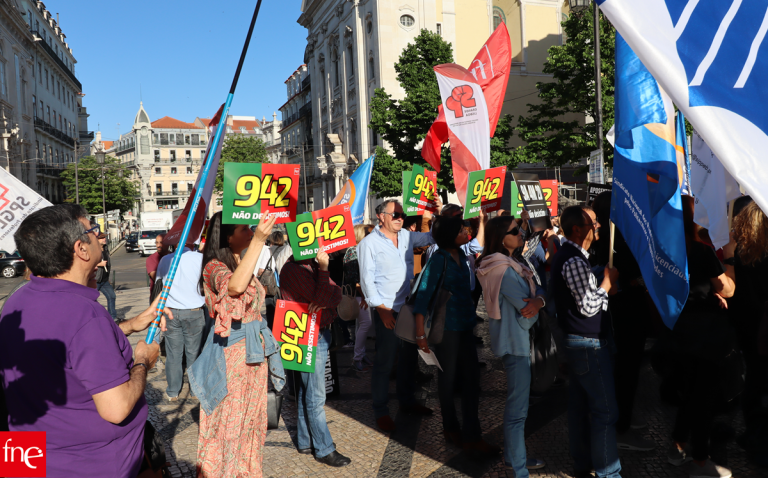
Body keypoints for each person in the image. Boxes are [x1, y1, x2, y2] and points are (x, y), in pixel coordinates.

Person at [0, 204, 171, 477]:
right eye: (94, 231)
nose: (101, 237)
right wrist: (143, 361)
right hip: (87, 463)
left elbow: (64, 350)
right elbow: (117, 409)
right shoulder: (84, 314)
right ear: (81, 248)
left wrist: (129, 326)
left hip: (27, 457)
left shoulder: (17, 300)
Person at [191, 211, 285, 477]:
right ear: (227, 237)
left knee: (251, 424)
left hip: (252, 356)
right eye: (244, 229)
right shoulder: (213, 267)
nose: (250, 231)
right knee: (227, 427)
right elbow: (233, 288)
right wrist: (258, 241)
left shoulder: (237, 260)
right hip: (231, 359)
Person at [661, 196, 738, 478]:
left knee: (689, 391)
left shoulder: (664, 250)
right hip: (703, 336)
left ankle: (678, 446)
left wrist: (707, 290)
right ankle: (701, 461)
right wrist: (728, 257)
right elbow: (728, 288)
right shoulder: (701, 252)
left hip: (677, 329)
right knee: (702, 396)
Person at [413, 215, 500, 457]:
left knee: (472, 381)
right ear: (450, 234)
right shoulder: (438, 259)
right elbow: (422, 298)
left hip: (465, 326)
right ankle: (454, 429)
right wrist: (420, 335)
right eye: (462, 229)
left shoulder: (461, 255)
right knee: (447, 380)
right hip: (447, 330)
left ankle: (469, 434)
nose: (466, 232)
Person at [551, 205, 621, 478]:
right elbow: (589, 306)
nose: (598, 226)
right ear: (578, 229)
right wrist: (606, 282)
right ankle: (609, 474)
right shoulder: (573, 260)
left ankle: (582, 464)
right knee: (605, 413)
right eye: (593, 223)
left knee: (579, 409)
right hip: (588, 345)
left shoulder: (575, 258)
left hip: (581, 343)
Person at [476, 215, 547, 475]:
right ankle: (518, 469)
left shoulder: (513, 262)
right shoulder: (502, 269)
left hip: (519, 340)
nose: (521, 233)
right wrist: (538, 303)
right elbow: (527, 309)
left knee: (519, 406)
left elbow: (538, 292)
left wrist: (538, 300)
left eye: (520, 229)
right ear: (499, 238)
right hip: (516, 343)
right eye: (515, 230)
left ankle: (513, 456)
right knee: (518, 410)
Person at [358, 199, 438, 432]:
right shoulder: (369, 244)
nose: (400, 218)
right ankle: (381, 411)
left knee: (408, 360)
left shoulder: (405, 236)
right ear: (380, 216)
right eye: (395, 214)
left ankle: (407, 402)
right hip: (387, 309)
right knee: (384, 362)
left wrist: (431, 214)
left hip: (407, 308)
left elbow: (432, 238)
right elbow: (366, 280)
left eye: (402, 214)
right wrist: (381, 309)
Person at [591, 191, 657, 452]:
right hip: (625, 312)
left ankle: (623, 416)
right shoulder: (615, 241)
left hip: (621, 311)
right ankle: (621, 427)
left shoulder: (603, 239)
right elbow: (631, 274)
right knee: (626, 368)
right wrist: (641, 281)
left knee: (624, 368)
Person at [279, 250, 351, 467]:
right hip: (307, 333)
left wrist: (325, 291)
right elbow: (322, 296)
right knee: (315, 396)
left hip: (311, 331)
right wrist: (325, 270)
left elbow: (336, 293)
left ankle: (305, 441)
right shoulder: (295, 269)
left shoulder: (311, 265)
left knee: (305, 390)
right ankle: (323, 449)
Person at [729, 200, 768, 457]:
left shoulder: (737, 252)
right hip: (762, 325)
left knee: (753, 376)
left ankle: (752, 431)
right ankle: (758, 439)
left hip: (742, 323)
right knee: (760, 380)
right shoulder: (765, 255)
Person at [156, 241, 205, 402]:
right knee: (194, 353)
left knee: (173, 354)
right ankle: (194, 389)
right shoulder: (200, 258)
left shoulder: (165, 260)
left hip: (171, 312)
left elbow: (159, 284)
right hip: (194, 312)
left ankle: (173, 390)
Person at [344, 224, 375, 371]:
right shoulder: (353, 251)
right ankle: (357, 358)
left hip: (360, 294)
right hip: (358, 295)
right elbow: (355, 279)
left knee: (361, 325)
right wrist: (364, 297)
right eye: (367, 233)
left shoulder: (358, 250)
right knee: (366, 324)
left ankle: (361, 355)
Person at [95, 230, 119, 323]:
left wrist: (107, 277)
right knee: (92, 300)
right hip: (95, 280)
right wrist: (99, 264)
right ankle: (95, 318)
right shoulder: (93, 250)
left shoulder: (106, 249)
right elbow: (87, 263)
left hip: (104, 280)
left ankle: (112, 317)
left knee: (112, 296)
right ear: (96, 239)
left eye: (104, 237)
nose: (104, 239)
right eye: (102, 238)